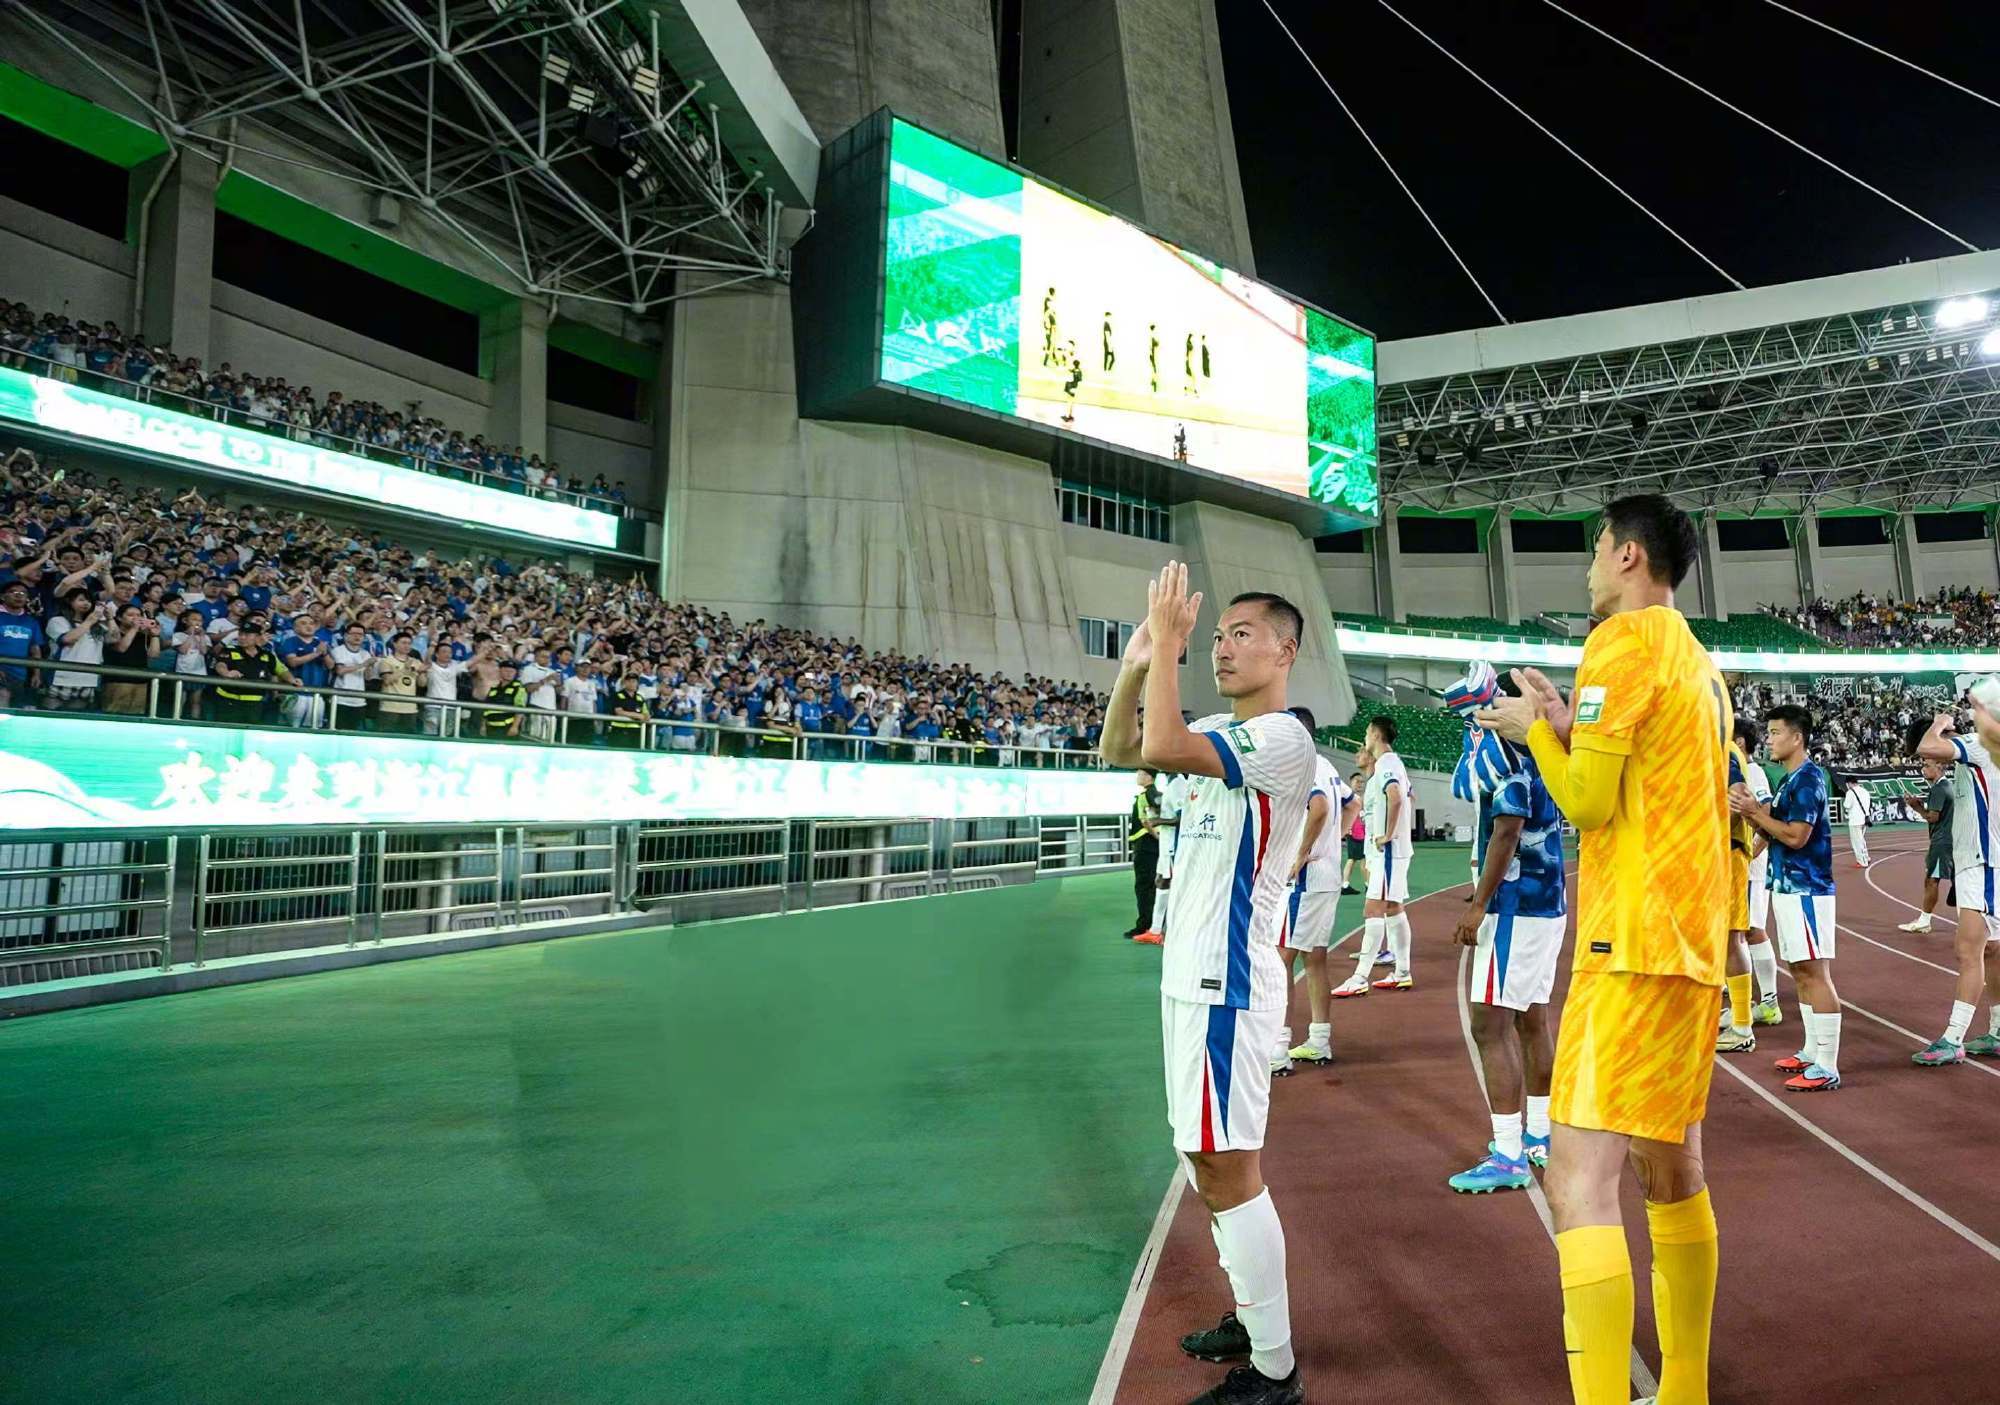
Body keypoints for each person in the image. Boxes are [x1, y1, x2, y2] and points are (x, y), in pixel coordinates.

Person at [1476, 494, 1728, 1405]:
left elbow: (1583, 802)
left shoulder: (1617, 643)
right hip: (1694, 945)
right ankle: (1686, 1388)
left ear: (1626, 555)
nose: (1587, 567)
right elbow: (1636, 777)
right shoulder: (1700, 663)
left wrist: (1535, 731)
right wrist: (1568, 724)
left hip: (1630, 944)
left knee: (1576, 1178)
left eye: (1593, 549)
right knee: (1674, 1167)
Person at [1098, 565, 1313, 1405]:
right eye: (1216, 634)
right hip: (1191, 978)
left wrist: (1171, 656)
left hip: (1229, 980)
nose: (1224, 646)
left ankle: (1274, 1370)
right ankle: (1254, 1318)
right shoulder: (1224, 728)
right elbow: (1122, 749)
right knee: (1201, 1157)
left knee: (1228, 1166)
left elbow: (1158, 745)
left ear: (1286, 649)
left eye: (1241, 634)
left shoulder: (1282, 739)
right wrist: (1137, 662)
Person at [1445, 673, 1564, 1194]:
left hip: (1515, 909)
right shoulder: (1543, 753)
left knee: (1489, 1025)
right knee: (1531, 1020)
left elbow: (1507, 829)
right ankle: (1540, 1134)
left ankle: (1509, 1151)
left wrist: (1479, 905)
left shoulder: (1511, 759)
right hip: (1547, 903)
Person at [1734, 705, 1844, 1091]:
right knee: (1799, 970)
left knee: (1815, 972)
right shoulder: (1789, 779)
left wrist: (1754, 813)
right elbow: (1771, 829)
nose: (1770, 739)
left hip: (1807, 889)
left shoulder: (1809, 780)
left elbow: (1796, 835)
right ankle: (1813, 1050)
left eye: (1776, 732)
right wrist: (1749, 814)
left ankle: (1827, 1064)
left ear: (1797, 737)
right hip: (1787, 887)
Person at [1910, 693, 2000, 1063]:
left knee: (1968, 951)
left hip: (1983, 864)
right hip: (1980, 862)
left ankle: (1953, 1038)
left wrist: (1940, 721)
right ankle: (1996, 1031)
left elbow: (1927, 745)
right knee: (1991, 951)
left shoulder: (1982, 745)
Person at [1280, 705, 1358, 1069]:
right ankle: (1319, 1039)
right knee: (1315, 960)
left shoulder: (1304, 764)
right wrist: (1334, 841)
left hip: (1307, 880)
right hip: (1324, 877)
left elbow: (1320, 805)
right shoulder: (1326, 764)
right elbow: (1352, 803)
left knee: (1281, 959)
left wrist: (1301, 853)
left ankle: (1277, 1050)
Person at [1333, 717, 1412, 996]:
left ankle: (1359, 977)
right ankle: (1402, 972)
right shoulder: (1390, 765)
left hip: (1388, 851)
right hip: (1388, 852)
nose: (1365, 738)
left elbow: (1397, 796)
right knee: (1393, 907)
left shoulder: (1388, 764)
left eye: (1367, 732)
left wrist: (1388, 834)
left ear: (1376, 734)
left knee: (1373, 908)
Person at [1716, 719, 1773, 1055]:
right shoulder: (1712, 752)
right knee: (1725, 936)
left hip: (1730, 856)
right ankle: (1740, 1014)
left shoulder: (1732, 756)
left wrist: (1751, 846)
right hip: (1712, 856)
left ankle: (1749, 1018)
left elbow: (1751, 804)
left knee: (1741, 933)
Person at [1896, 748, 1954, 934]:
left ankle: (1924, 920)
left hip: (1942, 841)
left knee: (1931, 880)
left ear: (1939, 767)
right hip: (1950, 840)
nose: (1923, 768)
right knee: (1958, 881)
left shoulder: (1938, 788)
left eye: (1927, 765)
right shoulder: (1947, 786)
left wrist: (1916, 806)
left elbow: (1932, 817)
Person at [209, 618, 286, 725]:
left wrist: (293, 680)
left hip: (255, 703)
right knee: (226, 732)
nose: (242, 638)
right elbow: (220, 664)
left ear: (258, 637)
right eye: (241, 634)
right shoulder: (230, 649)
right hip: (228, 701)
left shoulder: (267, 654)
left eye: (248, 635)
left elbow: (281, 670)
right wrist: (226, 673)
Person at [1127, 768, 1164, 940]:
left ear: (1148, 776)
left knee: (1143, 886)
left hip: (1145, 845)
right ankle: (1153, 923)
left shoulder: (1143, 796)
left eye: (1140, 773)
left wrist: (1156, 836)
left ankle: (1144, 925)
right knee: (1153, 885)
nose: (1138, 776)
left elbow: (1146, 820)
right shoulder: (1158, 794)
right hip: (1155, 847)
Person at [1338, 769, 1365, 895]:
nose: (1360, 784)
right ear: (1351, 782)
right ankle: (1345, 884)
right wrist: (1347, 828)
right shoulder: (1348, 797)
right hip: (1353, 833)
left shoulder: (1362, 797)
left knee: (1358, 859)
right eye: (1357, 781)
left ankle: (1348, 884)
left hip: (1362, 833)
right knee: (1354, 859)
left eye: (1361, 782)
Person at [1843, 773, 1873, 868]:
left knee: (1857, 842)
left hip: (1855, 820)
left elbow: (1846, 805)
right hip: (1864, 819)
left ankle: (1862, 861)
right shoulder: (1865, 791)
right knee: (1861, 840)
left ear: (1849, 783)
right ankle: (1866, 857)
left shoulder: (1850, 792)